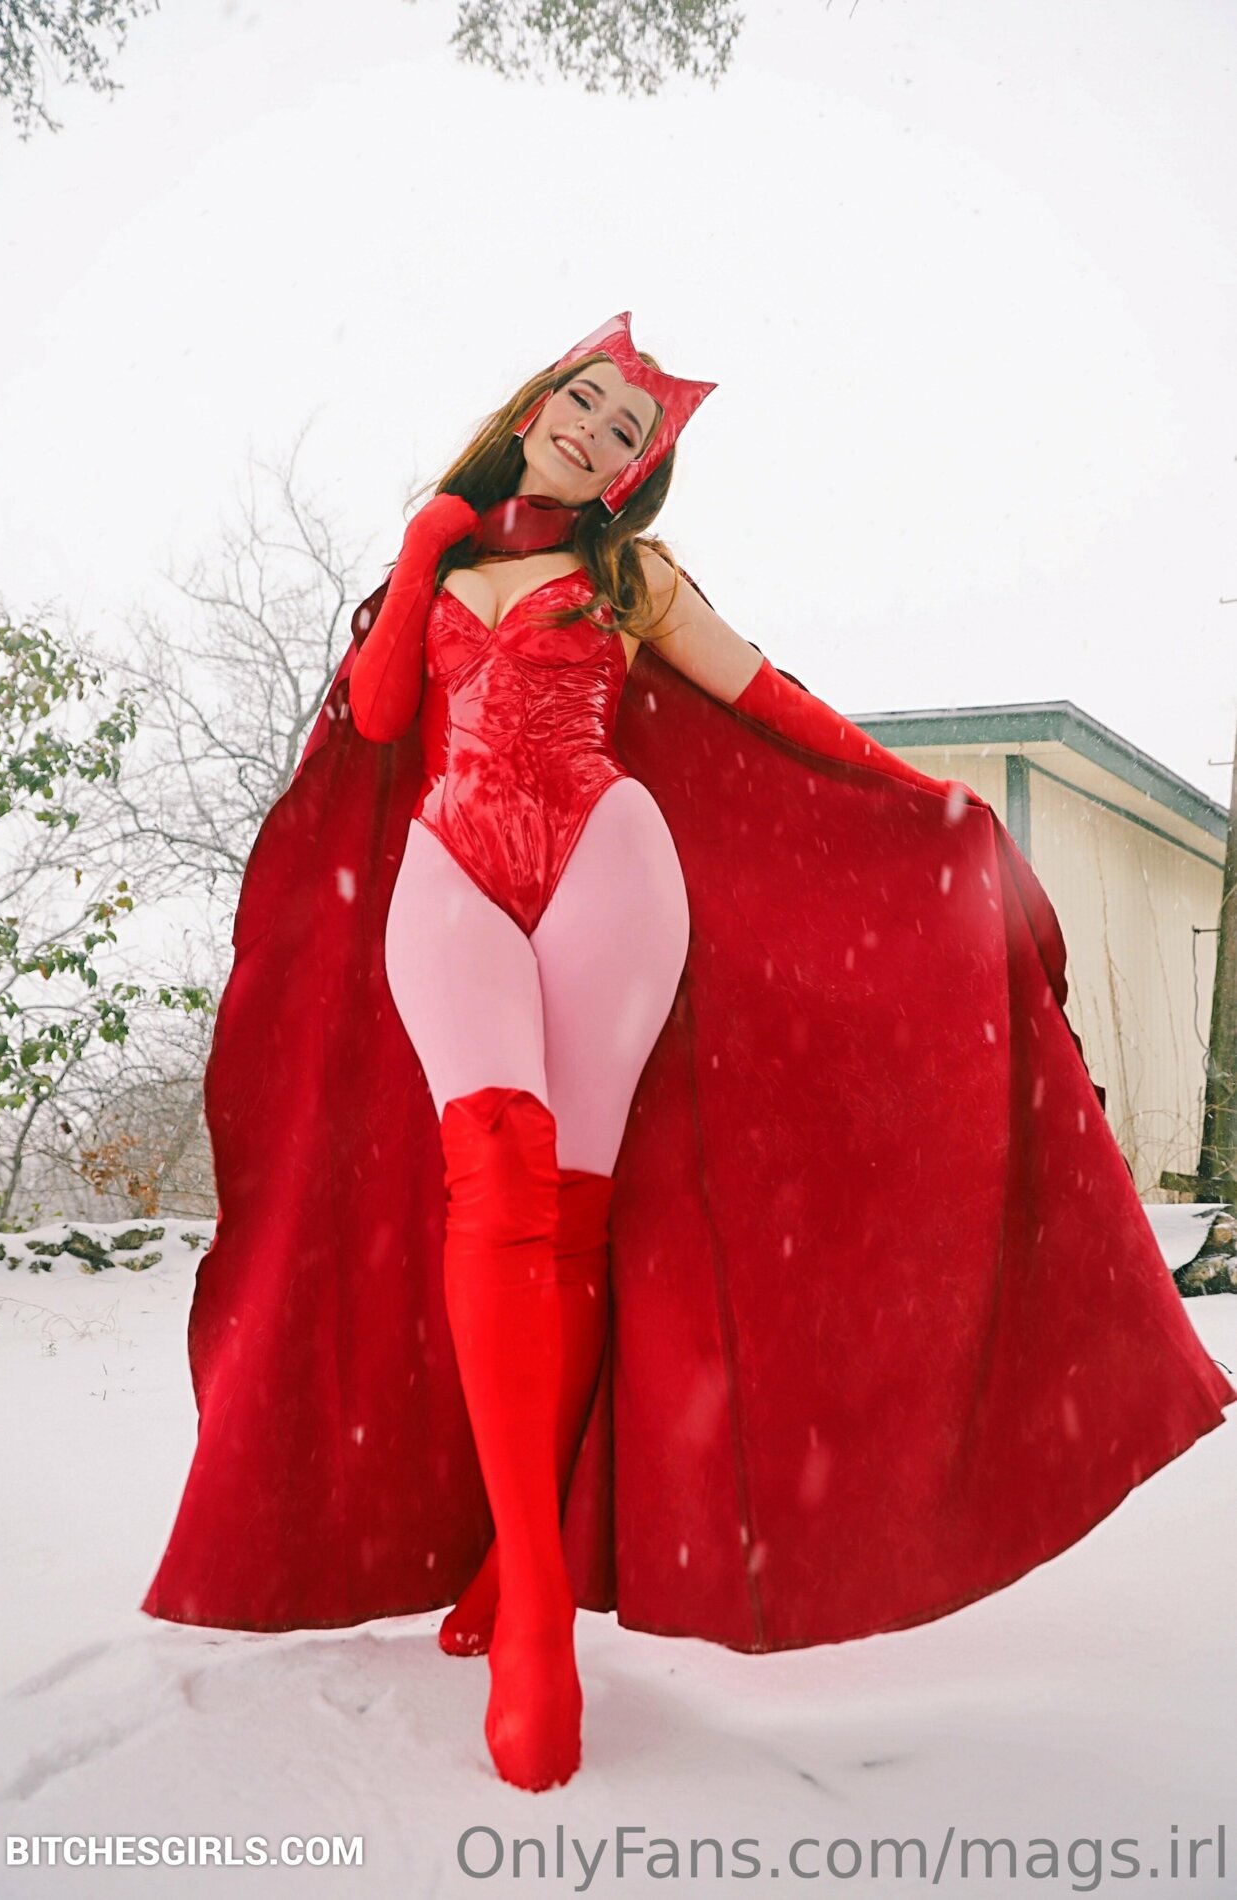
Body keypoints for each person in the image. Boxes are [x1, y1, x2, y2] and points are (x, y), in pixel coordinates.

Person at [141, 314, 1235, 1796]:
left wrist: (924, 801)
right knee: (492, 1182)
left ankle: (518, 1577)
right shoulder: (438, 570)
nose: (595, 430)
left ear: (631, 476)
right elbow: (387, 713)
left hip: (606, 857)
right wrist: (421, 542)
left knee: (570, 1219)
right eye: (583, 402)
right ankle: (537, 1593)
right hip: (451, 869)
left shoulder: (631, 579)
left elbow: (769, 704)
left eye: (626, 432)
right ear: (536, 405)